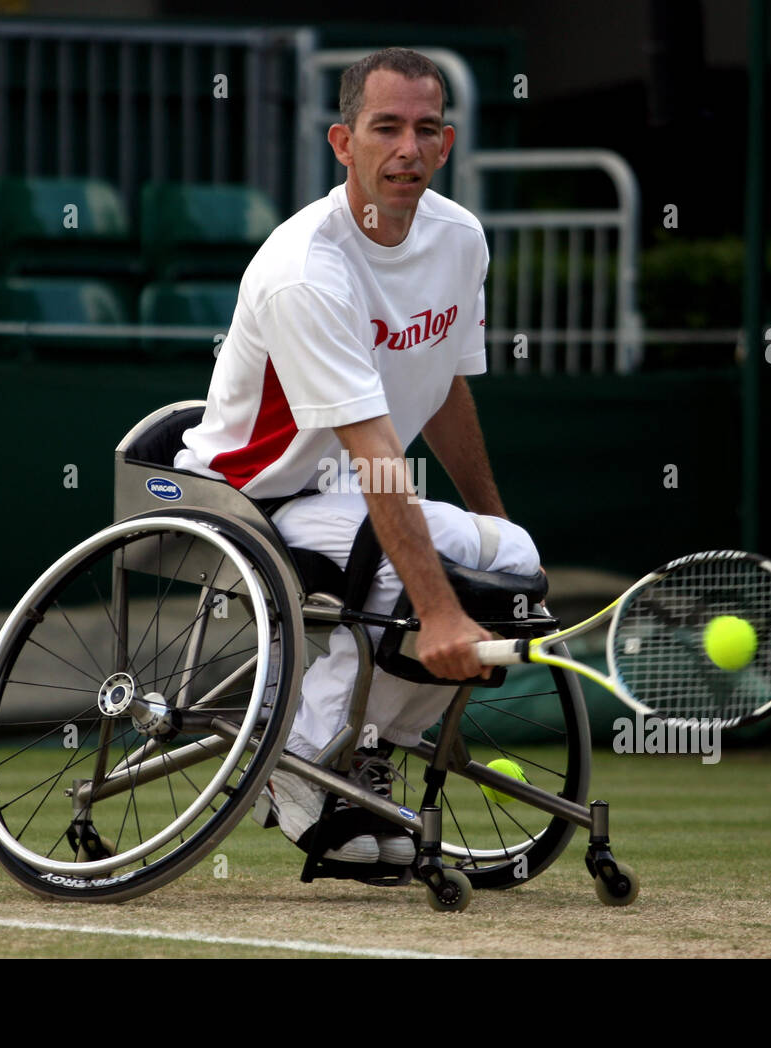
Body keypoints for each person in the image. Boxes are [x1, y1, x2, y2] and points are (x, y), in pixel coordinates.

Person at [174, 47, 541, 864]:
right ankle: (301, 763)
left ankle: (359, 750)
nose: (407, 148)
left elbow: (443, 386)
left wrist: (491, 520)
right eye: (385, 128)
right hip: (247, 499)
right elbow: (377, 451)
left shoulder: (460, 240)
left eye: (425, 130)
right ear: (343, 143)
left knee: (512, 556)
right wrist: (441, 609)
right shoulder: (308, 269)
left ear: (445, 147)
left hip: (345, 494)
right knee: (420, 578)